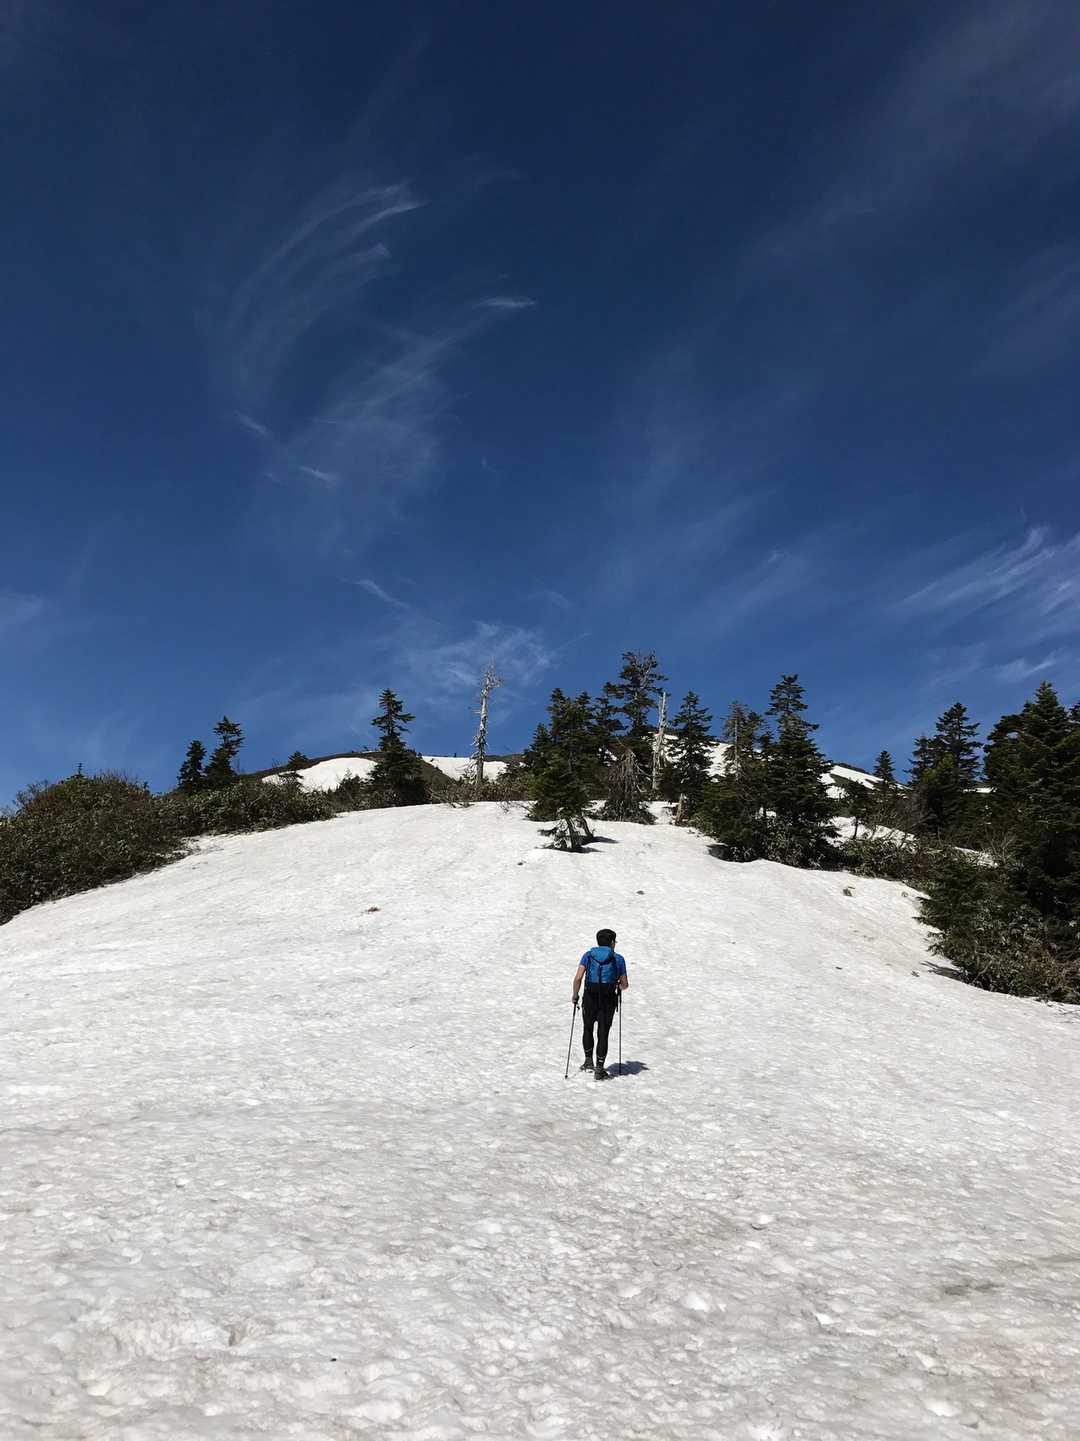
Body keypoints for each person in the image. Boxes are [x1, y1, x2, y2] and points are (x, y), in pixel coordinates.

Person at [572, 928, 629, 1079]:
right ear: (612, 943)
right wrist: (617, 984)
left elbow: (578, 978)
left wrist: (575, 995)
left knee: (588, 1028)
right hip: (608, 1000)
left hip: (589, 998)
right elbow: (625, 984)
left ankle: (588, 1062)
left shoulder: (588, 956)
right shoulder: (618, 959)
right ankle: (599, 1068)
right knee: (603, 1033)